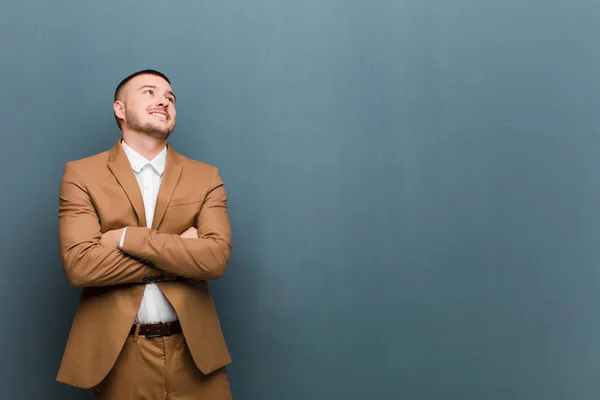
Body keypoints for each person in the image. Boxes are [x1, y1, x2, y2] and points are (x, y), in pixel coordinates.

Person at [56, 69, 233, 399]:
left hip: (196, 355)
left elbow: (215, 259)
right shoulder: (81, 174)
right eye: (149, 92)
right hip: (120, 357)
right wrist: (182, 251)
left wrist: (126, 238)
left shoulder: (206, 176)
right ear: (120, 109)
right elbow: (80, 266)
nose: (163, 101)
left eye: (170, 97)